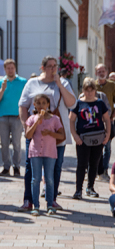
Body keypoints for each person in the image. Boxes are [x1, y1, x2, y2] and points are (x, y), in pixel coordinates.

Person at [18, 56, 76, 212]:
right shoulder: (32, 83)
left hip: (56, 131)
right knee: (31, 168)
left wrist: (59, 83)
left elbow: (72, 103)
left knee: (56, 168)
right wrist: (26, 126)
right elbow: (22, 105)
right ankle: (29, 200)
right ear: (42, 68)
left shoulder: (63, 83)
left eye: (55, 66)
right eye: (49, 66)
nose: (53, 69)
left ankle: (52, 200)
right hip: (35, 133)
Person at [70, 77, 111, 199]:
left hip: (98, 137)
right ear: (83, 90)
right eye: (87, 90)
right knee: (81, 164)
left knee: (94, 163)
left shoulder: (100, 103)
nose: (89, 93)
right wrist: (75, 135)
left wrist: (107, 134)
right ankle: (78, 190)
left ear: (95, 90)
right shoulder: (78, 103)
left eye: (91, 90)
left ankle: (90, 187)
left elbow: (107, 119)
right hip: (82, 138)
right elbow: (71, 120)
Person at [24, 93, 64, 215]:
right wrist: (37, 122)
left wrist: (51, 133)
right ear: (35, 105)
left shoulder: (54, 119)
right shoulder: (31, 118)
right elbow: (28, 135)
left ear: (48, 105)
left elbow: (62, 135)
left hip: (50, 152)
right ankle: (35, 205)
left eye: (44, 103)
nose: (41, 106)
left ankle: (50, 204)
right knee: (35, 179)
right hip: (35, 151)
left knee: (49, 179)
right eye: (38, 103)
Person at [94, 64, 115, 180]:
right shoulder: (92, 85)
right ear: (96, 73)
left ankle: (104, 170)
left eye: (103, 70)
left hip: (107, 121)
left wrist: (112, 117)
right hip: (93, 122)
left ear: (106, 71)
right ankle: (94, 170)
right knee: (95, 147)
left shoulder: (112, 85)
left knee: (107, 147)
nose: (101, 72)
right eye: (99, 71)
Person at [0, 59, 26, 176]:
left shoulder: (22, 82)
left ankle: (16, 166)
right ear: (5, 69)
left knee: (16, 143)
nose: (10, 70)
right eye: (8, 68)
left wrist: (23, 114)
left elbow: (26, 100)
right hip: (2, 116)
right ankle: (6, 166)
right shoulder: (1, 81)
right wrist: (2, 89)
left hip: (17, 116)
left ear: (15, 68)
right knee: (4, 143)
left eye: (12, 68)